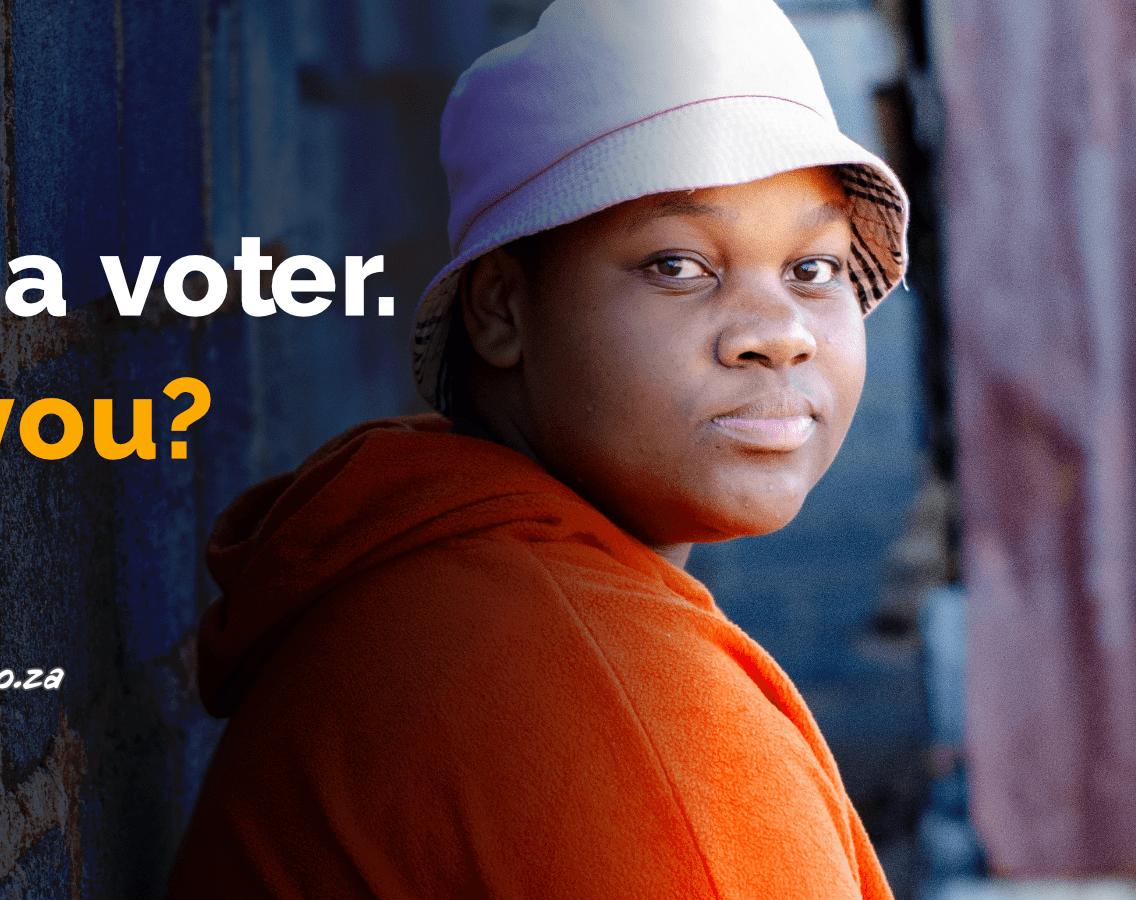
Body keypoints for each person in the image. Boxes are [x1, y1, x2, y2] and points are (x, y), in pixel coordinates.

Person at [167, 0, 909, 896]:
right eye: (677, 263)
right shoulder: (615, 700)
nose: (778, 334)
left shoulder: (445, 575)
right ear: (500, 310)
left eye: (813, 268)